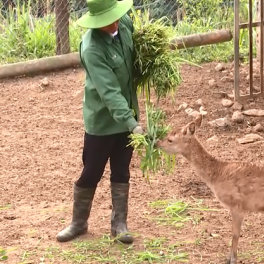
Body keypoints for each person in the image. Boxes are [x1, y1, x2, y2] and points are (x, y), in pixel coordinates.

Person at [56, 0, 143, 244]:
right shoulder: (92, 47)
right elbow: (110, 92)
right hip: (102, 123)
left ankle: (119, 224)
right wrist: (132, 123)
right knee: (91, 172)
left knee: (121, 170)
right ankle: (79, 222)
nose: (114, 23)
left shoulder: (124, 24)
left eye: (115, 17)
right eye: (107, 21)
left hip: (128, 116)